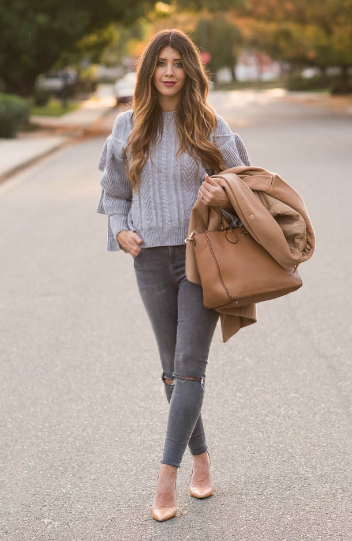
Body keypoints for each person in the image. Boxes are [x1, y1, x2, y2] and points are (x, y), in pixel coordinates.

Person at [96, 29, 251, 522]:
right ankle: (200, 460)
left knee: (188, 368)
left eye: (177, 62)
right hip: (149, 260)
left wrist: (217, 196)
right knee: (171, 369)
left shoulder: (210, 125)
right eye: (160, 62)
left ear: (190, 70)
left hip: (199, 258)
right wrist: (121, 232)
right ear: (149, 70)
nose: (168, 71)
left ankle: (165, 480)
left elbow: (246, 186)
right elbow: (115, 193)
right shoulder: (129, 125)